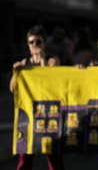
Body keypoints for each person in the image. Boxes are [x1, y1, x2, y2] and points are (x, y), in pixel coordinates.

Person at [9, 25, 64, 170]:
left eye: (38, 42)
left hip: (49, 114)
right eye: (31, 42)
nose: (34, 45)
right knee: (24, 160)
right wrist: (16, 73)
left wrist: (42, 61)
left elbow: (52, 81)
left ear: (44, 43)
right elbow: (12, 89)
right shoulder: (25, 64)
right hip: (29, 116)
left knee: (54, 160)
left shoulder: (53, 60)